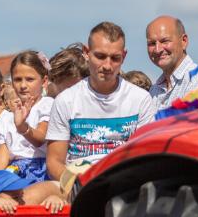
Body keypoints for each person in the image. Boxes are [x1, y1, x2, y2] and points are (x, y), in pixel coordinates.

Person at [46, 21, 156, 181]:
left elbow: (146, 157)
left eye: (115, 58)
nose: (107, 65)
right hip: (76, 182)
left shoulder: (140, 99)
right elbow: (54, 161)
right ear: (86, 52)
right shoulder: (66, 100)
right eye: (100, 56)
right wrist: (76, 184)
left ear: (124, 56)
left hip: (124, 182)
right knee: (34, 194)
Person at [0, 50, 54, 182]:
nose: (23, 86)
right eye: (18, 80)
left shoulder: (47, 105)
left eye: (30, 79)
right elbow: (2, 157)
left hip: (37, 170)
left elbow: (40, 138)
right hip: (13, 170)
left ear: (44, 81)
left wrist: (23, 127)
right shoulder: (7, 118)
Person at [146, 16, 198, 110]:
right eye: (152, 43)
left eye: (165, 41)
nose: (157, 49)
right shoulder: (154, 90)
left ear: (184, 41)